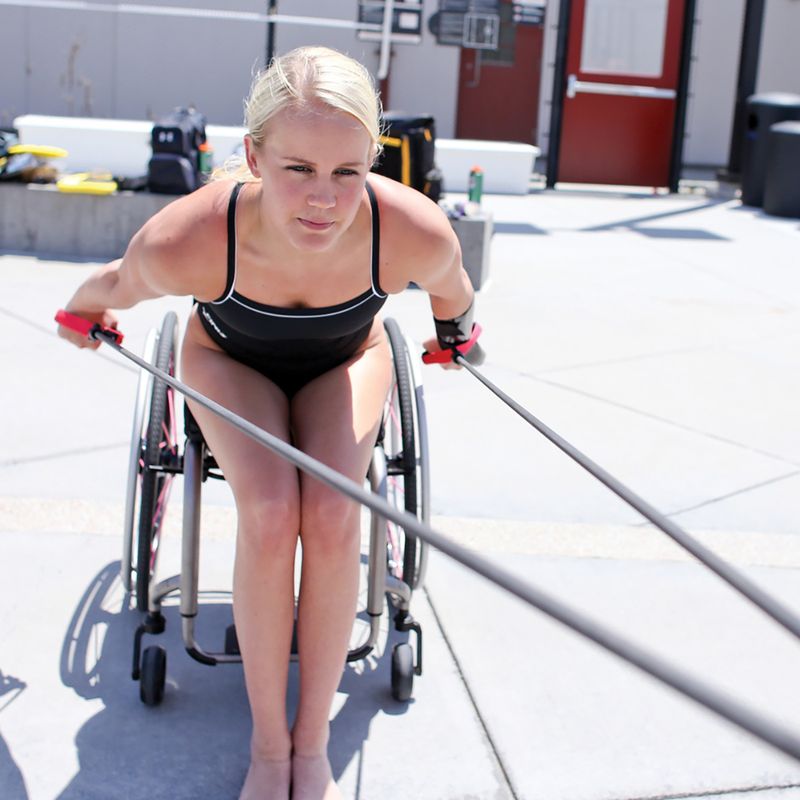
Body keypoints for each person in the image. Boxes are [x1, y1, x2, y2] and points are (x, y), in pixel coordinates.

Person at [58, 45, 482, 800]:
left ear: (372, 162)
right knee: (268, 506)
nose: (324, 198)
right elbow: (118, 283)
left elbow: (454, 291)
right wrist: (81, 313)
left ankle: (309, 745)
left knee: (331, 508)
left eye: (347, 173)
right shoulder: (190, 237)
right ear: (253, 155)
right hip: (230, 363)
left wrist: (458, 339)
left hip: (346, 360)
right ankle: (267, 744)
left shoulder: (409, 229)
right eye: (298, 169)